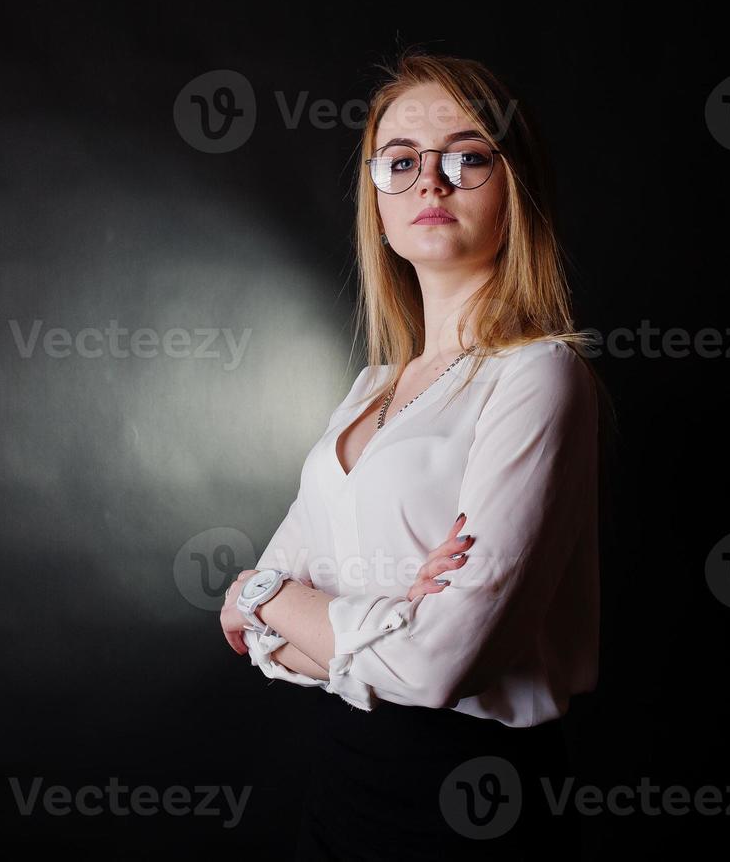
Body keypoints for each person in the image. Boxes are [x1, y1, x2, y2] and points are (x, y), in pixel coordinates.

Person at [219, 49, 609, 859]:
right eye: (400, 162)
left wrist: (265, 595)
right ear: (377, 198)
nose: (430, 182)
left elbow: (437, 665)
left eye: (468, 157)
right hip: (344, 787)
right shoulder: (368, 391)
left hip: (472, 801)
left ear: (515, 186)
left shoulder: (538, 375)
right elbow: (244, 633)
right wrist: (386, 611)